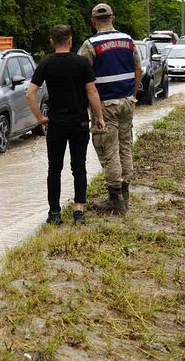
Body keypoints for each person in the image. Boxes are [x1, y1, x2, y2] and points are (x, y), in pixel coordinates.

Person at [27, 25, 105, 225]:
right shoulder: (82, 63)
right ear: (70, 41)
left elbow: (30, 94)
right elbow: (92, 92)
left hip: (56, 125)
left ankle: (54, 212)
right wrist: (99, 117)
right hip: (79, 123)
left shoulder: (45, 64)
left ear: (52, 42)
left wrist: (40, 118)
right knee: (79, 167)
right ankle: (79, 211)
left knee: (54, 168)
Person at [78, 3, 143, 215]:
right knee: (125, 145)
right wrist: (133, 94)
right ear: (113, 18)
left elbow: (81, 73)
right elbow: (138, 68)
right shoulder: (128, 40)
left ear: (93, 20)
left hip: (105, 104)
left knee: (108, 149)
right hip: (127, 101)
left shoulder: (90, 44)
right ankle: (125, 193)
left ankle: (116, 200)